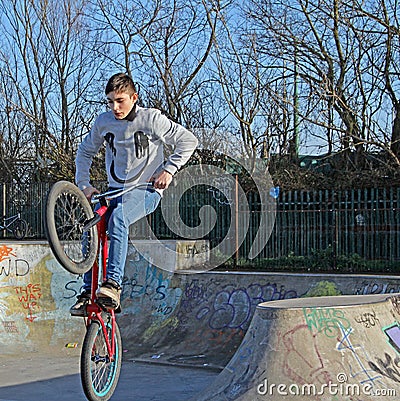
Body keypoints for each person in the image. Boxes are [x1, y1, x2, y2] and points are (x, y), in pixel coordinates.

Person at [70, 72, 198, 316]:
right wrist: (84, 184)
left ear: (133, 97)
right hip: (115, 191)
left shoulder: (151, 119)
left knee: (119, 218)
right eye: (110, 101)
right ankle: (87, 293)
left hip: (146, 191)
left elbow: (188, 140)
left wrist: (169, 170)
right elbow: (84, 152)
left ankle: (112, 285)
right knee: (90, 226)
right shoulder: (103, 122)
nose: (115, 107)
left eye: (120, 100)